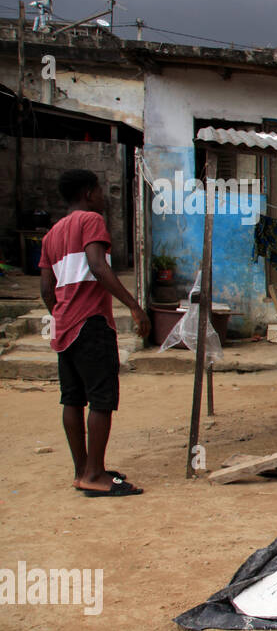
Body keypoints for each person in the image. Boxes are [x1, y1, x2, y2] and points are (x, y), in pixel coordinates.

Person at [38, 169, 150, 496]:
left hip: (64, 326)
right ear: (88, 192)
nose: (103, 196)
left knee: (72, 399)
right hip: (92, 323)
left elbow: (46, 289)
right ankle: (96, 475)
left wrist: (61, 313)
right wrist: (134, 306)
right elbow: (98, 266)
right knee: (102, 399)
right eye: (99, 190)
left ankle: (83, 471)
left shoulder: (51, 235)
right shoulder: (91, 220)